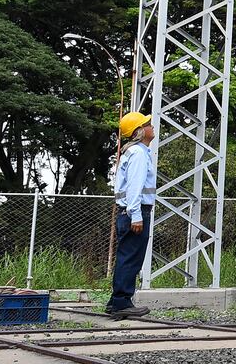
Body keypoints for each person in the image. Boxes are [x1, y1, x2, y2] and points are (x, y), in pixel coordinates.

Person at [107, 111, 157, 320]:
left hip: (129, 212)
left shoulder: (133, 152)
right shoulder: (138, 153)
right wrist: (136, 215)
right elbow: (135, 187)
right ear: (139, 131)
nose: (152, 126)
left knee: (127, 256)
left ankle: (117, 302)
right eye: (148, 124)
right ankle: (121, 303)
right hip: (135, 213)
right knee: (130, 258)